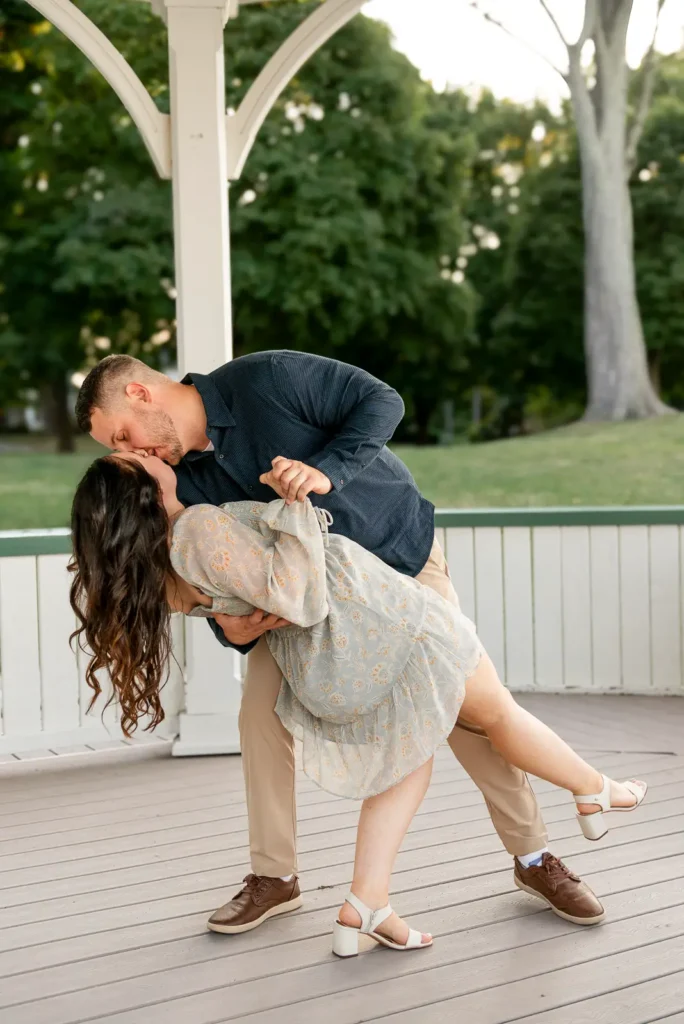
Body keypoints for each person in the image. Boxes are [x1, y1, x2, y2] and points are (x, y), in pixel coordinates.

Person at [77, 351, 608, 933]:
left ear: (140, 394)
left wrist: (326, 470)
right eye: (120, 451)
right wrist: (228, 628)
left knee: (468, 704)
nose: (133, 454)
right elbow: (216, 577)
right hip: (310, 614)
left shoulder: (267, 379)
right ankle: (274, 877)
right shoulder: (183, 484)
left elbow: (382, 401)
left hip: (398, 558)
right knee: (260, 714)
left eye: (124, 436)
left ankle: (533, 857)